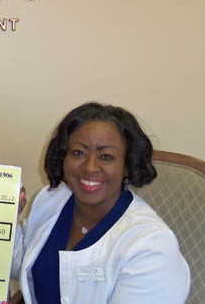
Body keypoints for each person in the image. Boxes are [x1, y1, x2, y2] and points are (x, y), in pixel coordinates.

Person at [11, 102, 190, 304]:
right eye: (79, 153)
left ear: (127, 165)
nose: (90, 167)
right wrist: (1, 218)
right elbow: (27, 266)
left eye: (106, 156)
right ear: (63, 157)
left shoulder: (151, 246)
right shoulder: (51, 199)